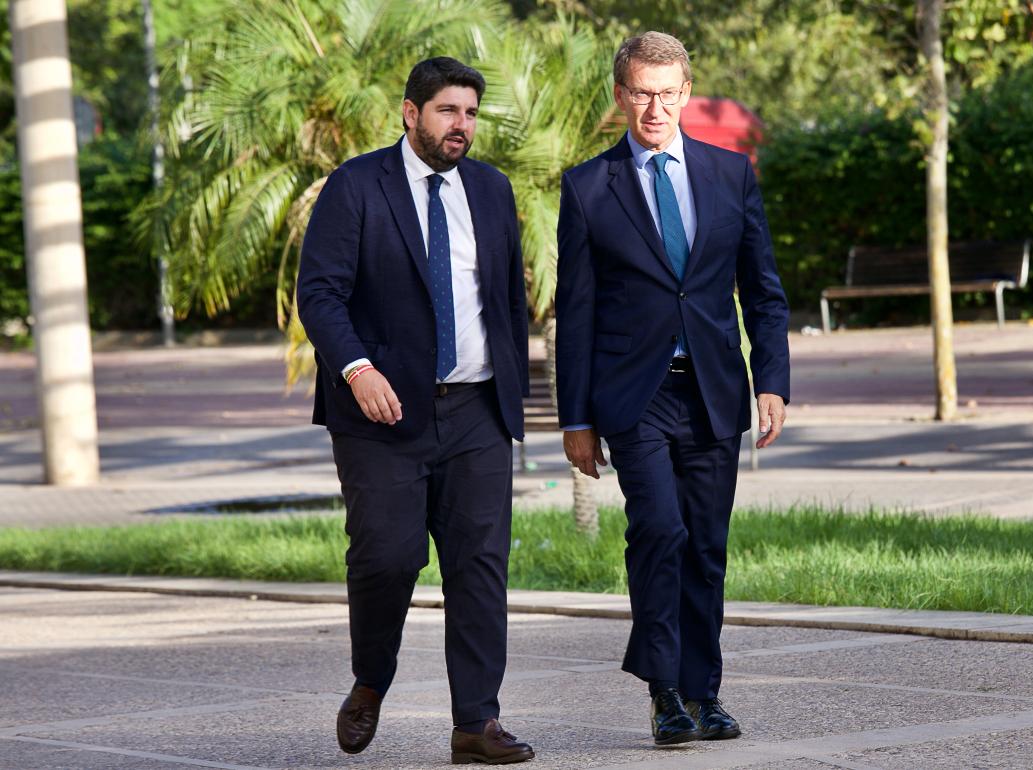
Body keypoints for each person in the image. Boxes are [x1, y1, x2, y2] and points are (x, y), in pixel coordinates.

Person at [555, 31, 790, 746]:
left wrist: (772, 380)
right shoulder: (590, 187)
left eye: (667, 92)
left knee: (706, 547)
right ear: (621, 95)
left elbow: (765, 292)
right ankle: (663, 693)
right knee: (659, 530)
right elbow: (578, 310)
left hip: (715, 390)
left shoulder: (731, 174)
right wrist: (576, 418)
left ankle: (704, 691)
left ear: (686, 93)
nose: (654, 106)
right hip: (636, 395)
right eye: (640, 92)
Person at [297, 56, 534, 765]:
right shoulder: (356, 186)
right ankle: (371, 681)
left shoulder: (491, 190)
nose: (461, 126)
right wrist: (357, 368)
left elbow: (507, 301)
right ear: (411, 113)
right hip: (382, 416)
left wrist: (515, 390)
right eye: (447, 112)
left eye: (469, 113)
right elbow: (321, 294)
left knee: (480, 565)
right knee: (387, 558)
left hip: (476, 412)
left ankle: (475, 722)